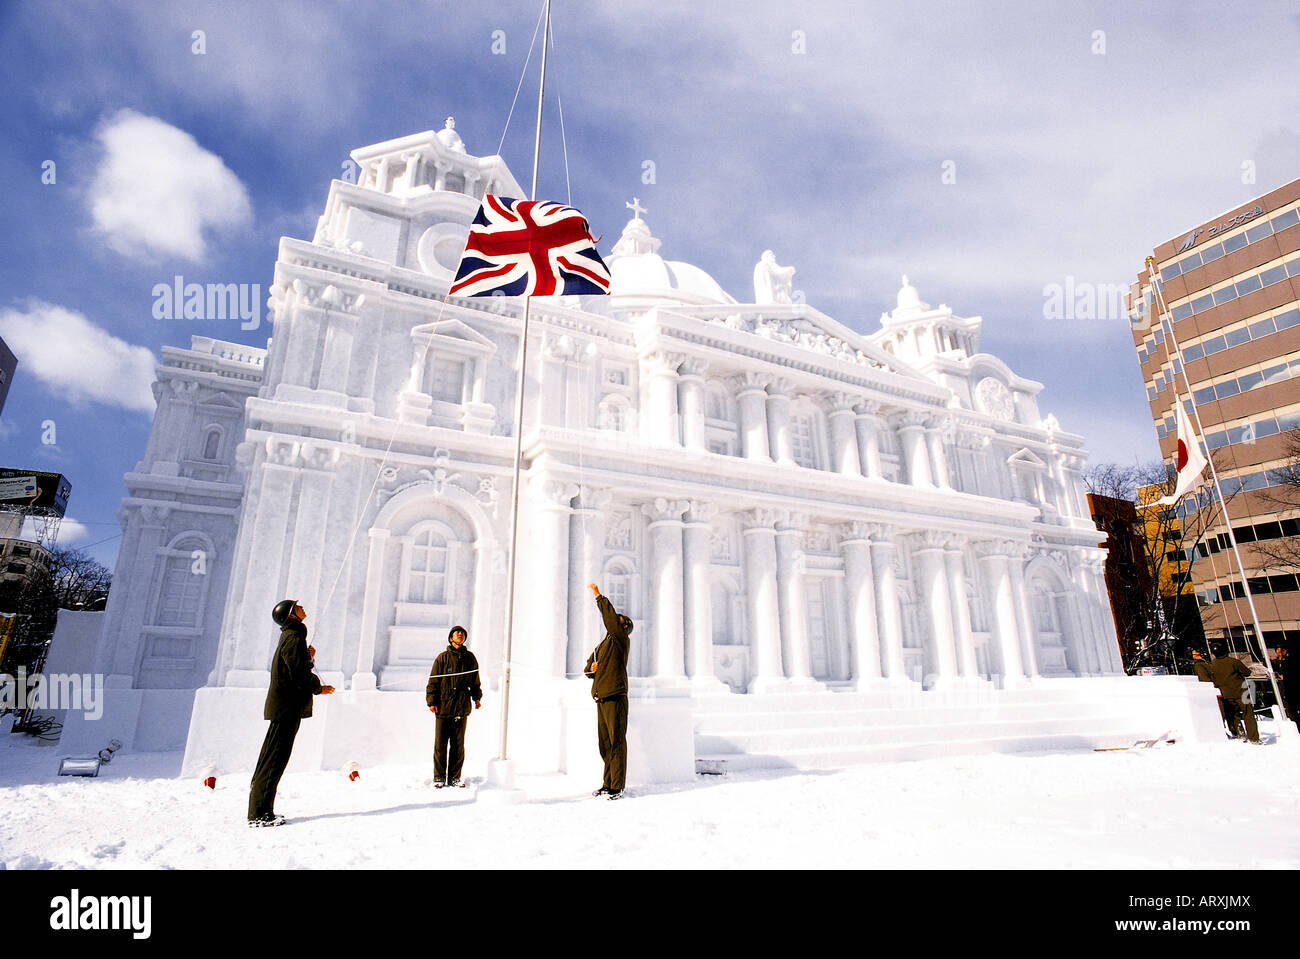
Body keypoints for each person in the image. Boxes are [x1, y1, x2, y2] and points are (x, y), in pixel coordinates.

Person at [248, 599, 335, 826]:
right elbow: (297, 673)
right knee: (274, 759)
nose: (302, 607)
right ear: (291, 615)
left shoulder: (293, 637)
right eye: (297, 606)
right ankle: (259, 814)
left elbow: (295, 666)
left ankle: (261, 810)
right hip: (286, 707)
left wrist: (308, 658)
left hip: (285, 707)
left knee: (273, 758)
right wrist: (318, 688)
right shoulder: (294, 637)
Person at [584, 583, 632, 800]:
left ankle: (618, 786)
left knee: (617, 742)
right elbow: (589, 666)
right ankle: (608, 782)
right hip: (601, 697)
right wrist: (591, 670)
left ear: (624, 628)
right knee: (605, 744)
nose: (615, 621)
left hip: (616, 696)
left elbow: (611, 620)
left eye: (619, 621)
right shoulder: (602, 645)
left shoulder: (622, 640)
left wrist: (598, 597)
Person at [425, 625, 481, 787]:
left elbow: (475, 681)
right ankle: (439, 777)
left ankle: (455, 777)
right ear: (451, 638)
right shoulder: (442, 658)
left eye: (462, 634)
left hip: (461, 707)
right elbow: (433, 681)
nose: (460, 635)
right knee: (440, 745)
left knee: (458, 745)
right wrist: (432, 701)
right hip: (443, 706)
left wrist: (477, 698)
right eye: (457, 633)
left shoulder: (470, 658)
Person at [1210, 644, 1259, 744]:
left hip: (1226, 694)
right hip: (1241, 692)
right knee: (1248, 714)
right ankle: (1253, 738)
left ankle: (1240, 733)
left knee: (1233, 715)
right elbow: (1247, 672)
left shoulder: (1213, 665)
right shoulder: (1233, 661)